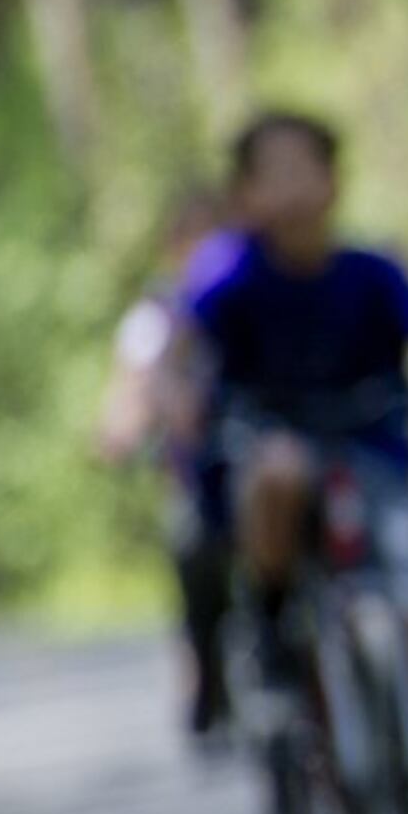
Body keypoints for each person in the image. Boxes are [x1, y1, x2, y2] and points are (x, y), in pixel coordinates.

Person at [166, 113, 408, 814]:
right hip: (277, 450)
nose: (290, 187)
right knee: (274, 474)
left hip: (373, 456)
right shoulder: (229, 275)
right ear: (245, 193)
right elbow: (174, 353)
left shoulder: (373, 270)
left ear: (335, 180)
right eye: (270, 173)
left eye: (304, 167)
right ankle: (275, 634)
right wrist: (171, 398)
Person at [97, 190, 241, 746]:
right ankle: (206, 675)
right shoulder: (155, 317)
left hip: (256, 454)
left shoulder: (248, 291)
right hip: (196, 471)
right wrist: (120, 428)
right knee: (194, 553)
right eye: (193, 239)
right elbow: (132, 384)